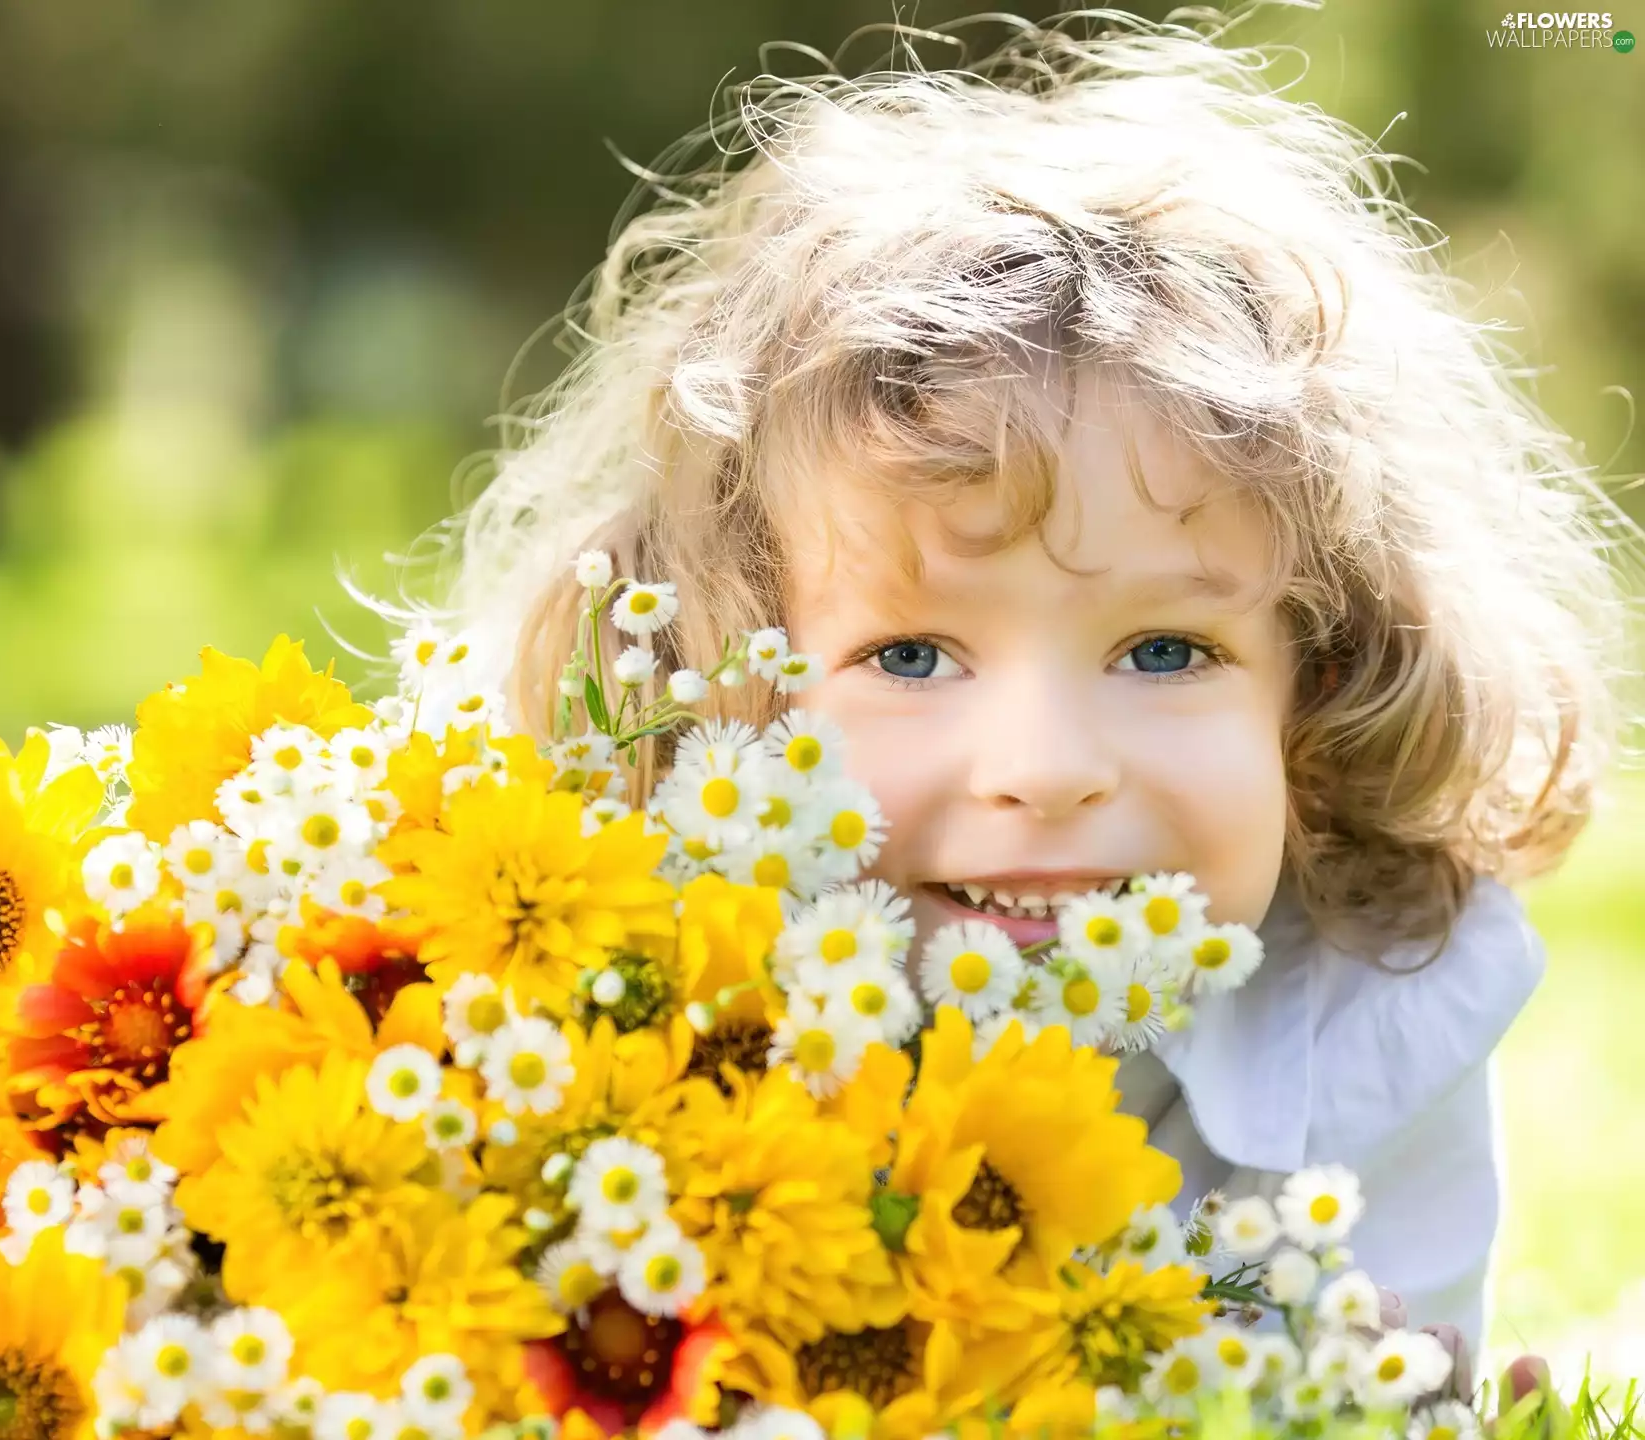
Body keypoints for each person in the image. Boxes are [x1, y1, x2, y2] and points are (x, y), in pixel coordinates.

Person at [359, 3, 1638, 1387]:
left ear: (1316, 692)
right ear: (729, 688)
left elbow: (1358, 1384)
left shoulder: (1378, 1008)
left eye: (1164, 652)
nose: (1043, 766)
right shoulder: (616, 1018)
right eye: (912, 657)